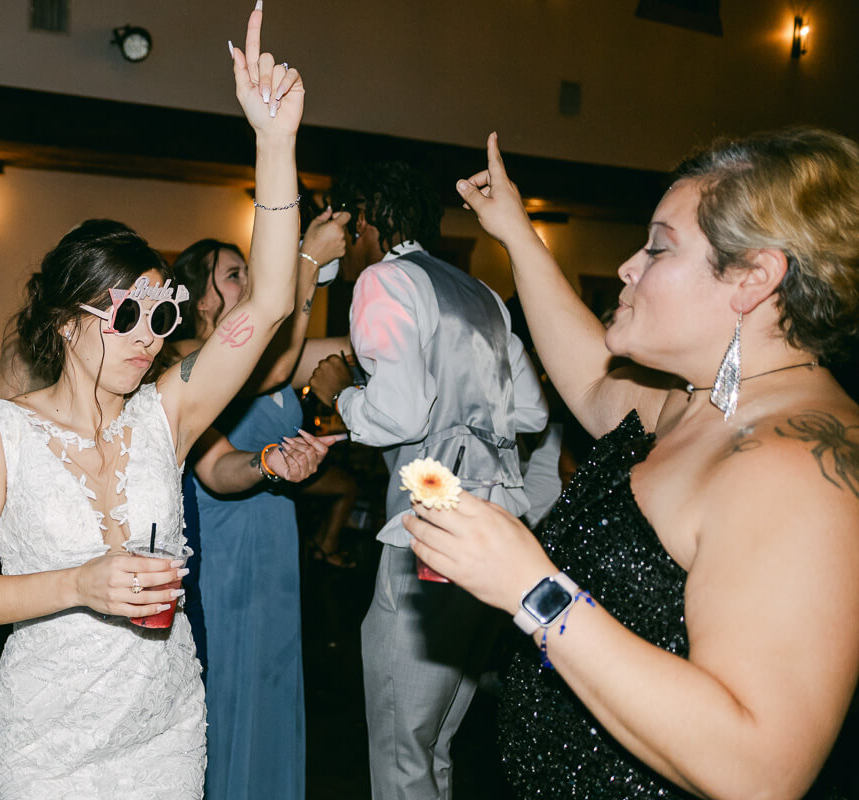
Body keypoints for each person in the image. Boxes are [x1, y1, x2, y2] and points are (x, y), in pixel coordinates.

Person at [0, 8, 306, 796]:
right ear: (66, 324)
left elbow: (265, 303)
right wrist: (76, 585)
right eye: (125, 314)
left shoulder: (166, 416)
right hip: (50, 743)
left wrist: (273, 142)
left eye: (162, 316)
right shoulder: (5, 436)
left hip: (166, 728)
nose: (150, 335)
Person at [408, 128, 859, 799]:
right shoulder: (689, 404)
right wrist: (516, 234)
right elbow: (591, 383)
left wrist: (533, 588)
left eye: (658, 247)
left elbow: (763, 770)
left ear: (754, 278)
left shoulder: (794, 468)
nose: (628, 265)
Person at [307, 160, 548, 800]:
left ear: (368, 222)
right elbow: (531, 411)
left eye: (347, 223)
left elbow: (399, 413)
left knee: (399, 743)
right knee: (436, 738)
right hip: (496, 526)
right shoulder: (481, 294)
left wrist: (342, 393)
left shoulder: (386, 281)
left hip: (432, 520)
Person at [166, 219, 348, 800]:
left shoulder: (269, 358)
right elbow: (279, 360)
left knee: (273, 681)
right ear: (199, 298)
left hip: (275, 542)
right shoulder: (184, 356)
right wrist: (307, 265)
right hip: (226, 547)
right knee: (231, 688)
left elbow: (347, 345)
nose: (248, 281)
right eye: (234, 274)